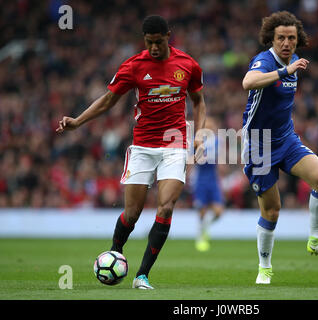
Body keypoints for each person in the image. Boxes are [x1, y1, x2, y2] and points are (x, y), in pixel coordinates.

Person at [56, 15, 206, 290]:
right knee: (132, 213)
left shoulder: (188, 64)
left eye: (159, 42)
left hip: (175, 145)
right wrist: (77, 121)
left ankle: (142, 275)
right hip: (142, 147)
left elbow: (199, 102)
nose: (154, 48)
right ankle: (115, 252)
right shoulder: (134, 66)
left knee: (166, 205)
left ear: (168, 36)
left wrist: (199, 135)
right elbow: (108, 100)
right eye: (149, 43)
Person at [241, 11, 318, 285]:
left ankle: (316, 240)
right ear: (271, 40)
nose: (286, 43)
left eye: (291, 38)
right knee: (272, 210)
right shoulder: (265, 61)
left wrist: (289, 69)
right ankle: (264, 268)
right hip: (259, 145)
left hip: (286, 139)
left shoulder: (294, 63)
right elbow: (247, 83)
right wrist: (283, 71)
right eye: (281, 38)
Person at [191, 117, 224, 252]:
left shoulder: (217, 141)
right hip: (200, 180)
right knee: (202, 211)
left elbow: (217, 158)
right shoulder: (196, 140)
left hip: (213, 179)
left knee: (218, 211)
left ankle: (205, 228)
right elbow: (196, 159)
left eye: (211, 125)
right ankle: (200, 237)